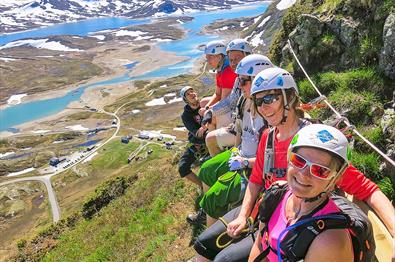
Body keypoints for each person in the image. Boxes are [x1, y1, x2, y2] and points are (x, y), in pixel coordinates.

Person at [193, 67, 394, 261]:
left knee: (224, 259)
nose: (263, 107)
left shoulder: (313, 145)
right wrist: (243, 215)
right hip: (268, 209)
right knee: (203, 243)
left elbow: (367, 189)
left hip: (294, 219)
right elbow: (255, 180)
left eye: (270, 98)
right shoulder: (268, 137)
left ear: (289, 97)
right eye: (258, 101)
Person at [249, 124, 355, 261]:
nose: (304, 174)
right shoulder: (276, 194)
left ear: (336, 178)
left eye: (320, 170)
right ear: (289, 158)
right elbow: (260, 245)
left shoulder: (329, 241)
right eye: (298, 161)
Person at [193, 54, 273, 227]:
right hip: (242, 154)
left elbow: (268, 157)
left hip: (251, 167)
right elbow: (240, 129)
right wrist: (236, 149)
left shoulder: (270, 112)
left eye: (243, 81)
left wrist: (244, 162)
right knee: (206, 169)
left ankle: (212, 220)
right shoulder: (244, 101)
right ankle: (210, 212)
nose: (239, 84)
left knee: (213, 198)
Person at [202, 40, 237, 129]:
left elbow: (224, 101)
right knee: (203, 103)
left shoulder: (227, 72)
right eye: (207, 57)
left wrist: (209, 112)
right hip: (228, 102)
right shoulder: (220, 69)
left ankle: (213, 136)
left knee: (211, 119)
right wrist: (207, 107)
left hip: (231, 106)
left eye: (210, 57)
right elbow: (217, 94)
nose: (208, 61)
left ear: (220, 56)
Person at [179, 86, 208, 189]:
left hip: (209, 138)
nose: (192, 94)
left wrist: (204, 128)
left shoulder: (205, 104)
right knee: (183, 168)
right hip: (197, 143)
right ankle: (202, 186)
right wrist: (206, 126)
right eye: (188, 94)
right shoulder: (186, 115)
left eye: (192, 91)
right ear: (185, 100)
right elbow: (196, 133)